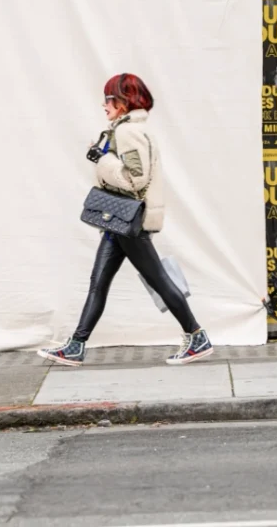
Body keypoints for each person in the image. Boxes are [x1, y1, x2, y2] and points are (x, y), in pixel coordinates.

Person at [37, 74, 213, 368]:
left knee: (158, 279)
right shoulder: (127, 130)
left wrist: (101, 159)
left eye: (109, 98)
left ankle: (196, 335)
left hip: (129, 222)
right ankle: (76, 345)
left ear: (124, 102)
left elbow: (136, 178)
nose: (104, 104)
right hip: (118, 222)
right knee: (99, 283)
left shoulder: (128, 133)